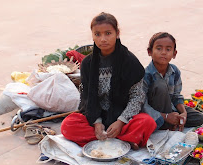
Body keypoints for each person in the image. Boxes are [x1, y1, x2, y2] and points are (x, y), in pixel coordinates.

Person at [61, 12, 156, 150]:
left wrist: (121, 122)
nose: (103, 39)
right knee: (68, 125)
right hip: (97, 115)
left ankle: (110, 138)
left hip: (122, 117)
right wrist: (96, 123)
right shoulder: (88, 63)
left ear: (117, 33)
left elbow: (137, 97)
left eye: (108, 33)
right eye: (97, 34)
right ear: (92, 35)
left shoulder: (129, 61)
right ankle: (122, 140)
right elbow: (86, 97)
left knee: (147, 122)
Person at [143, 32, 203, 131]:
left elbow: (176, 96)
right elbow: (143, 105)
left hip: (171, 107)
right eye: (159, 48)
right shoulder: (146, 74)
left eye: (168, 49)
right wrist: (166, 116)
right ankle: (166, 122)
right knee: (160, 85)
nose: (163, 52)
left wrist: (183, 113)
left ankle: (173, 121)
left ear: (174, 54)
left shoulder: (174, 71)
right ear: (150, 52)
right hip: (155, 112)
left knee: (198, 118)